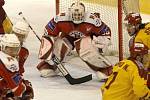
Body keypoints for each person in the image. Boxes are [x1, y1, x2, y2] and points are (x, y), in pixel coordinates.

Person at [37, 1, 112, 81]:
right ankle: (51, 66)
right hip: (67, 37)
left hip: (84, 38)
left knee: (86, 50)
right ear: (70, 13)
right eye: (75, 14)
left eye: (79, 15)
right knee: (59, 46)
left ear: (84, 13)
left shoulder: (92, 19)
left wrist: (102, 41)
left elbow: (105, 31)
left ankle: (105, 69)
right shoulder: (61, 18)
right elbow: (48, 33)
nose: (77, 17)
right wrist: (47, 50)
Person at [0, 34, 34, 99]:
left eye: (15, 49)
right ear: (3, 47)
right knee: (27, 90)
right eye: (10, 49)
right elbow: (18, 89)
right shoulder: (9, 62)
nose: (13, 52)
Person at [124, 12, 150, 88]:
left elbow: (142, 64)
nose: (127, 29)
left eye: (129, 25)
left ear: (136, 25)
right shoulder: (148, 24)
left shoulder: (136, 40)